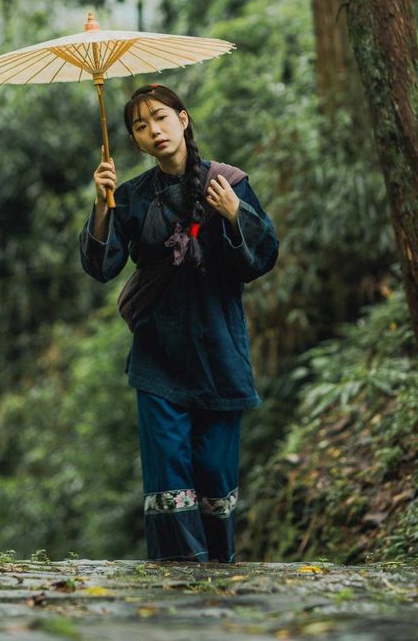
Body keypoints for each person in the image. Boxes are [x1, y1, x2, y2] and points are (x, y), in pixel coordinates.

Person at [79, 83, 279, 564]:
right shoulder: (130, 197)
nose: (154, 130)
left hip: (219, 348)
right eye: (140, 126)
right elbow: (102, 267)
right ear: (135, 140)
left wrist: (233, 214)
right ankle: (180, 582)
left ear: (183, 119)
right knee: (169, 473)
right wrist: (102, 207)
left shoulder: (227, 181)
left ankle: (218, 573)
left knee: (213, 469)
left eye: (161, 118)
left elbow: (262, 256)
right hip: (158, 353)